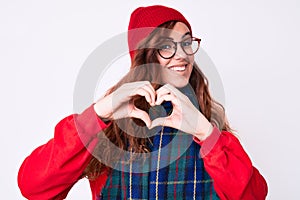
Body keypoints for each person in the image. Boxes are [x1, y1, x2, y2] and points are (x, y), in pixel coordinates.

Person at [18, 5, 268, 200]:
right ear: (144, 55)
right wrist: (99, 114)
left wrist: (205, 132)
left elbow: (254, 195)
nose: (181, 55)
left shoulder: (208, 124)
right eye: (166, 46)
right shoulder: (112, 128)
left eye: (186, 43)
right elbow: (34, 186)